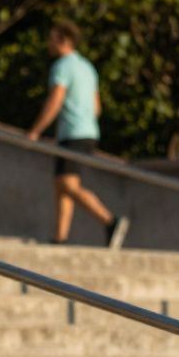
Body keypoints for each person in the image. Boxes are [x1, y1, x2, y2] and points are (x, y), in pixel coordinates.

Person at [26, 19, 130, 249]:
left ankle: (110, 221)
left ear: (63, 39)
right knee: (61, 183)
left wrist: (35, 131)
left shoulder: (62, 66)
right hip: (88, 131)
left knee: (68, 184)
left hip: (73, 133)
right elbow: (97, 107)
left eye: (51, 38)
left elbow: (55, 100)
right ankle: (60, 236)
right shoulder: (87, 67)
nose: (48, 43)